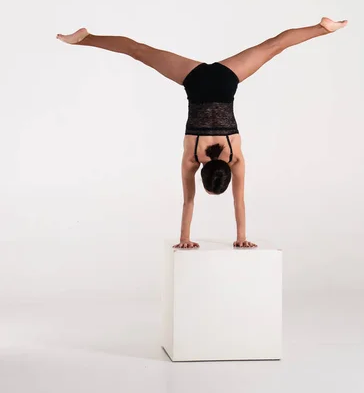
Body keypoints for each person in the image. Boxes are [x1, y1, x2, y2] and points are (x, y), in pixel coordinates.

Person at [57, 17, 347, 249]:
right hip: (194, 82)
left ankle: (323, 28)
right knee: (140, 52)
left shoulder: (235, 158)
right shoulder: (191, 158)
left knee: (273, 46)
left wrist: (241, 236)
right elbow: (188, 201)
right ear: (203, 173)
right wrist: (184, 237)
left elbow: (239, 200)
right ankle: (85, 39)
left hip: (225, 81)